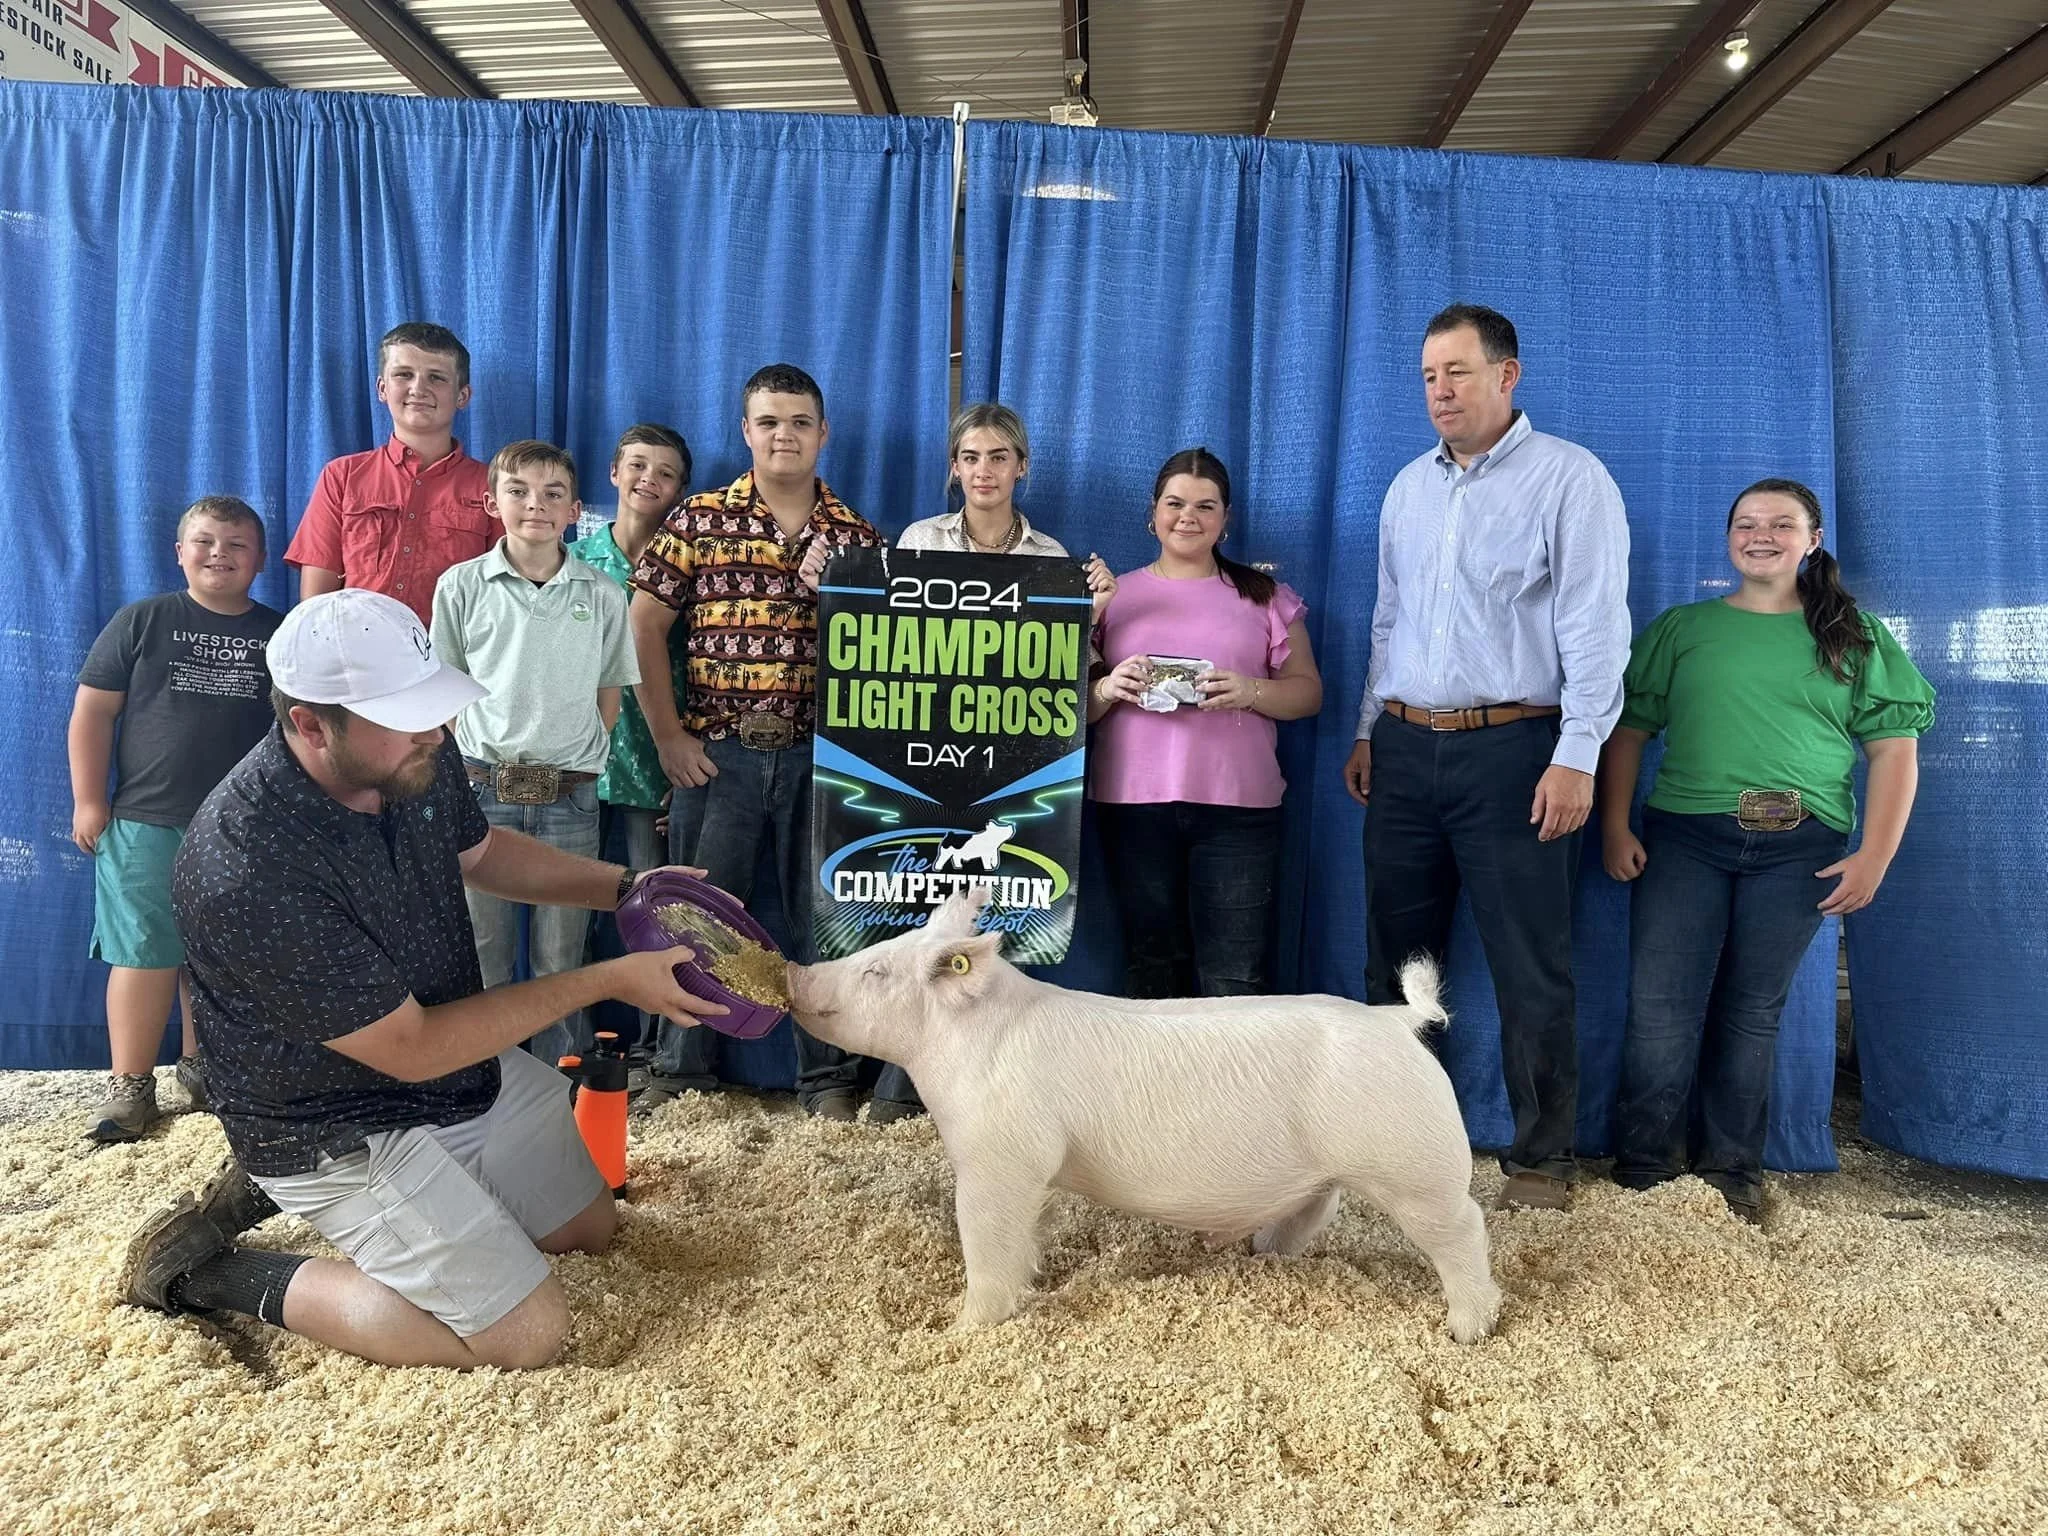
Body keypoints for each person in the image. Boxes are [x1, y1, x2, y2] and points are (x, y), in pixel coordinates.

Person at [118, 588, 723, 1370]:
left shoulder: (407, 757)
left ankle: (318, 1201)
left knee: (586, 1232)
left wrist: (627, 888)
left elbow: (482, 852)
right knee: (523, 1337)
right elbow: (413, 1048)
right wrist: (605, 977)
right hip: (333, 1117)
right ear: (309, 723)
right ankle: (208, 1271)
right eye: (407, 714)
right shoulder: (246, 863)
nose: (436, 730)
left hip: (447, 1073)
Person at [1341, 302, 1630, 1213]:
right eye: (1428, 376)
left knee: (1528, 959)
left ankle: (1542, 1161)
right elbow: (1390, 621)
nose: (1440, 392)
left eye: (1457, 373)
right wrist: (1364, 729)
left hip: (1516, 749)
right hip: (1401, 743)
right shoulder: (1406, 489)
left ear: (1509, 375)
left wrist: (1577, 753)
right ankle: (1400, 1145)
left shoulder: (1569, 480)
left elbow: (1594, 626)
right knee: (1396, 960)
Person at [1598, 478, 1932, 1223]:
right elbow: (1628, 732)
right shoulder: (1681, 629)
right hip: (1684, 838)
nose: (1761, 534)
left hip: (1800, 849)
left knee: (1752, 1011)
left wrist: (1875, 855)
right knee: (1660, 1007)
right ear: (1728, 539)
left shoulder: (1857, 636)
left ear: (1812, 541)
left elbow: (1894, 751)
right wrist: (1615, 825)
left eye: (1782, 524)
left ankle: (1731, 1173)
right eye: (1746, 523)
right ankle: (1647, 1166)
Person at [628, 364, 883, 1119]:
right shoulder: (699, 519)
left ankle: (827, 1079)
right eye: (769, 421)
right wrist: (668, 736)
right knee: (700, 914)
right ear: (746, 431)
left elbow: (880, 652)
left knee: (821, 918)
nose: (784, 434)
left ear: (823, 432)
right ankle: (681, 1073)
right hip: (720, 753)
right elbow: (643, 625)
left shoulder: (857, 537)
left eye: (800, 421)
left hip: (821, 758)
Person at [871, 404, 1117, 1124]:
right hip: (924, 756)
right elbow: (888, 649)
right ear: (954, 467)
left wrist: (1094, 611)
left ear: (1022, 467)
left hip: (1015, 763)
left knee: (998, 916)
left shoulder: (1051, 559)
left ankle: (992, 1078)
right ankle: (900, 1083)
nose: (984, 470)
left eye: (999, 456)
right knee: (918, 914)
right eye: (971, 457)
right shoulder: (918, 541)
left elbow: (1073, 683)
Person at [68, 496, 284, 1142]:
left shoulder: (279, 634)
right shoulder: (144, 621)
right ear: (179, 552)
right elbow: (92, 713)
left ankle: (204, 1071)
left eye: (236, 544)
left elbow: (302, 733)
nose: (220, 554)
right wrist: (89, 800)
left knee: (219, 959)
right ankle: (129, 1088)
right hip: (142, 822)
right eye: (205, 541)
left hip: (243, 829)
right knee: (143, 955)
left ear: (261, 560)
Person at [431, 441, 640, 1066]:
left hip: (569, 793)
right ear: (492, 502)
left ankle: (562, 1083)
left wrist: (585, 756)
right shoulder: (462, 586)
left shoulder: (601, 592)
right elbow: (445, 686)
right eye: (519, 490)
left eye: (553, 494)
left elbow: (611, 690)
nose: (536, 506)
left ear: (575, 510)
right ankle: (486, 1081)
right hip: (483, 787)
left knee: (561, 958)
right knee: (484, 951)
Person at [1088, 447, 1323, 998]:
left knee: (1235, 978)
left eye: (1204, 506)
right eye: (1174, 503)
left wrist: (1250, 691)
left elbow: (1309, 695)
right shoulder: (1110, 598)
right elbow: (1073, 711)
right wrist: (1108, 687)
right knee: (1151, 968)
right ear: (1153, 512)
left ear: (1225, 519)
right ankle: (1156, 1088)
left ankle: (1235, 1089)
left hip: (1239, 812)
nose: (1187, 517)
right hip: (1132, 806)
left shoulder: (1264, 596)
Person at [571, 423, 694, 1059]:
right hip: (580, 759)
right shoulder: (573, 559)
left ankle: (655, 1046)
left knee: (654, 908)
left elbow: (695, 663)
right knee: (571, 907)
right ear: (615, 473)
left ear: (679, 491)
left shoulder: (685, 564)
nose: (649, 478)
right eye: (638, 465)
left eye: (666, 472)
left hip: (652, 760)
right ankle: (576, 1046)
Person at [285, 321, 492, 625]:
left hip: (449, 663)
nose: (418, 388)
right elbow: (315, 603)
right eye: (403, 375)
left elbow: (502, 595)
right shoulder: (342, 476)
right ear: (382, 388)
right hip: (355, 659)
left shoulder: (492, 485)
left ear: (462, 396)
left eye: (436, 377)